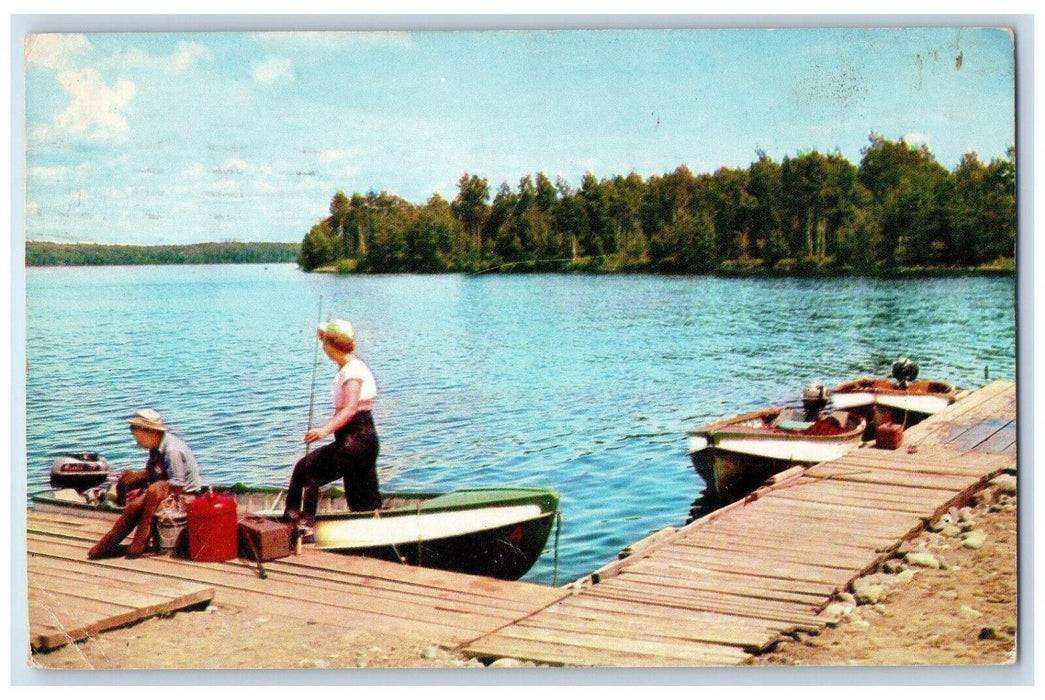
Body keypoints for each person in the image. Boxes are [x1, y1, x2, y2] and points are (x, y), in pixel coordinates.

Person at [283, 319, 381, 536]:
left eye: (325, 342)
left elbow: (350, 409)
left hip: (356, 440)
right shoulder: (350, 367)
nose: (323, 348)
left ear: (331, 344)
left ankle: (302, 526)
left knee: (305, 471)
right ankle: (373, 534)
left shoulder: (352, 371)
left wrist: (323, 431)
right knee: (361, 499)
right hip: (363, 440)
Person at [87, 408, 203, 559]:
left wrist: (147, 498)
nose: (138, 443)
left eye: (139, 439)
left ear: (151, 432)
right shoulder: (156, 447)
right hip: (167, 489)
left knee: (135, 507)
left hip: (185, 496)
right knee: (133, 505)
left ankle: (119, 545)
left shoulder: (171, 451)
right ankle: (104, 547)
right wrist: (134, 477)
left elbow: (177, 484)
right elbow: (152, 471)